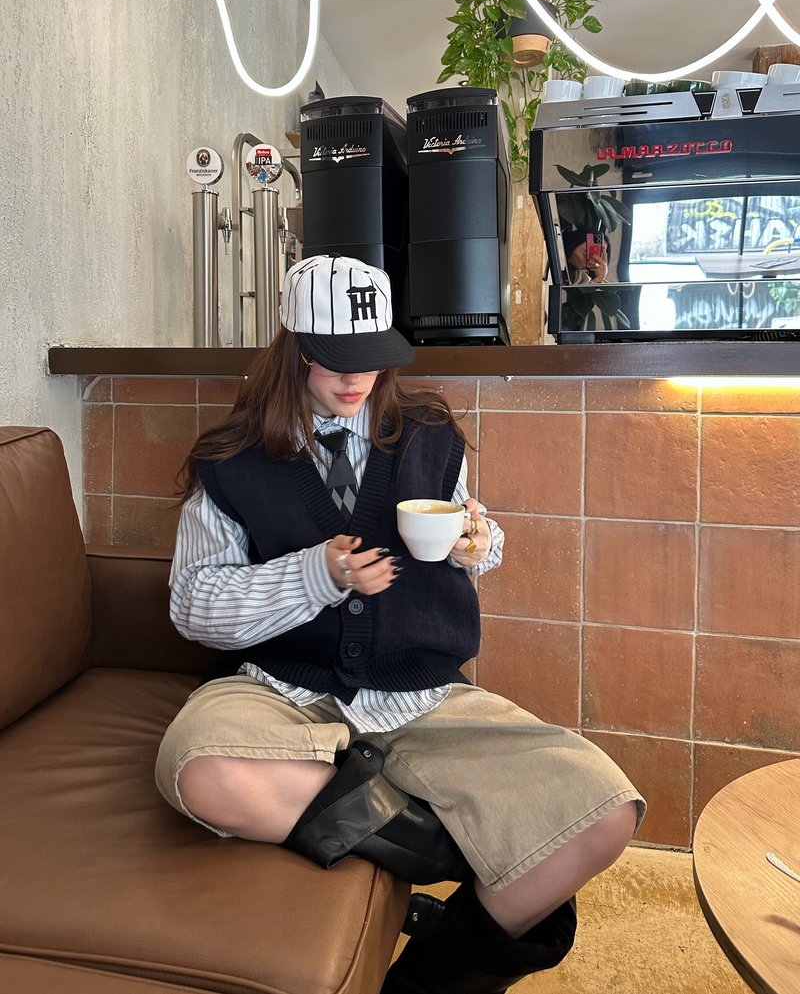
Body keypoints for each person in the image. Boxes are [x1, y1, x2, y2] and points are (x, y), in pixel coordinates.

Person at [156, 253, 645, 994]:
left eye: (373, 360)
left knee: (606, 813)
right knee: (197, 770)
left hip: (422, 697)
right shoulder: (231, 460)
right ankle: (441, 844)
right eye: (334, 361)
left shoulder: (430, 436)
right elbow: (191, 604)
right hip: (278, 690)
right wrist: (314, 573)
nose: (356, 381)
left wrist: (482, 542)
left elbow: (472, 531)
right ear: (293, 349)